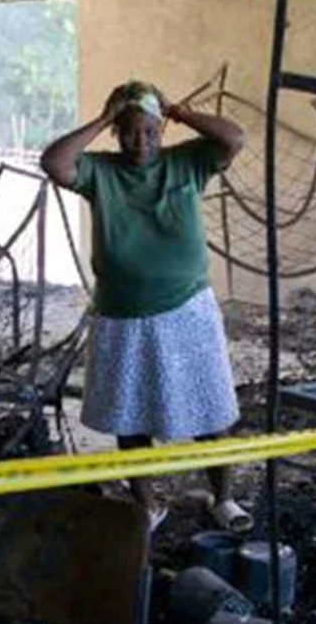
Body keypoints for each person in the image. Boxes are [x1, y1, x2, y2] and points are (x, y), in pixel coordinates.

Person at [41, 80, 250, 532]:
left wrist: (179, 111)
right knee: (131, 415)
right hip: (123, 314)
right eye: (130, 132)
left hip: (187, 308)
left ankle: (223, 498)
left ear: (162, 130)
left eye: (151, 131)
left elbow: (234, 138)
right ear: (117, 132)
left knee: (210, 408)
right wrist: (103, 118)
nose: (141, 142)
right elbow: (54, 162)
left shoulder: (187, 161)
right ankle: (147, 505)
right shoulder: (100, 171)